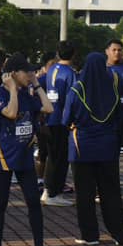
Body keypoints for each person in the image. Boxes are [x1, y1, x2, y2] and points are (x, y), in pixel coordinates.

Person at [0, 53, 58, 246]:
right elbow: (12, 113)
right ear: (13, 74)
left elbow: (48, 108)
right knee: (0, 203)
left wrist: (37, 85)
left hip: (24, 157)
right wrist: (12, 89)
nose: (30, 74)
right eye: (26, 71)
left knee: (33, 201)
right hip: (3, 157)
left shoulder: (27, 94)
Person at [64, 52, 123, 246]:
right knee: (111, 192)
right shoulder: (114, 89)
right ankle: (118, 233)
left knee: (85, 194)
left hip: (82, 148)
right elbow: (121, 117)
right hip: (108, 147)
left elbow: (66, 118)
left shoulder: (77, 90)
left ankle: (90, 235)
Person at [41, 41, 77, 207]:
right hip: (61, 119)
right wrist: (71, 120)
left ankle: (47, 190)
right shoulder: (70, 73)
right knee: (61, 158)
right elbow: (72, 98)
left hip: (49, 117)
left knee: (52, 156)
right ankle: (54, 192)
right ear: (73, 54)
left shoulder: (51, 69)